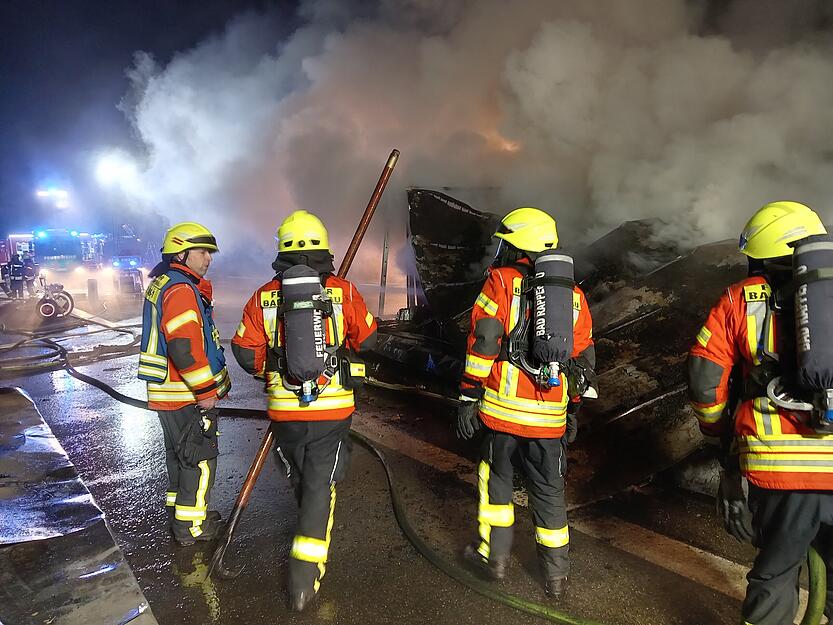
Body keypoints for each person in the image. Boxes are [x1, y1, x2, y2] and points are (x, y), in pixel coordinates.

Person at [688, 201, 833, 625]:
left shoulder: (741, 299)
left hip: (784, 471)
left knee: (777, 574)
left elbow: (704, 378)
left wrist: (718, 433)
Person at [231, 210, 377, 612]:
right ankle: (303, 577)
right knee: (319, 487)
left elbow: (244, 350)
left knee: (303, 477)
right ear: (323, 248)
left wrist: (272, 370)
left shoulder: (263, 295)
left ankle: (309, 520)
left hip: (285, 413)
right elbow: (368, 334)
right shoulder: (342, 290)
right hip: (332, 412)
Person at [457, 207, 594, 599]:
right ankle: (556, 578)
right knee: (550, 491)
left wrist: (468, 395)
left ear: (516, 246)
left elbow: (484, 342)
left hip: (501, 414)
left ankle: (494, 559)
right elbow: (583, 360)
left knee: (496, 486)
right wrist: (572, 408)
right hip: (549, 418)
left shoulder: (500, 282)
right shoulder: (574, 295)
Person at [138, 222, 230, 547]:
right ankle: (192, 528)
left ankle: (183, 515)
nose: (208, 259)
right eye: (203, 252)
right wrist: (205, 392)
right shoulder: (180, 289)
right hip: (184, 394)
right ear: (181, 252)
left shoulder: (165, 282)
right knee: (199, 459)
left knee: (179, 459)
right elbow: (183, 348)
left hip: (168, 393)